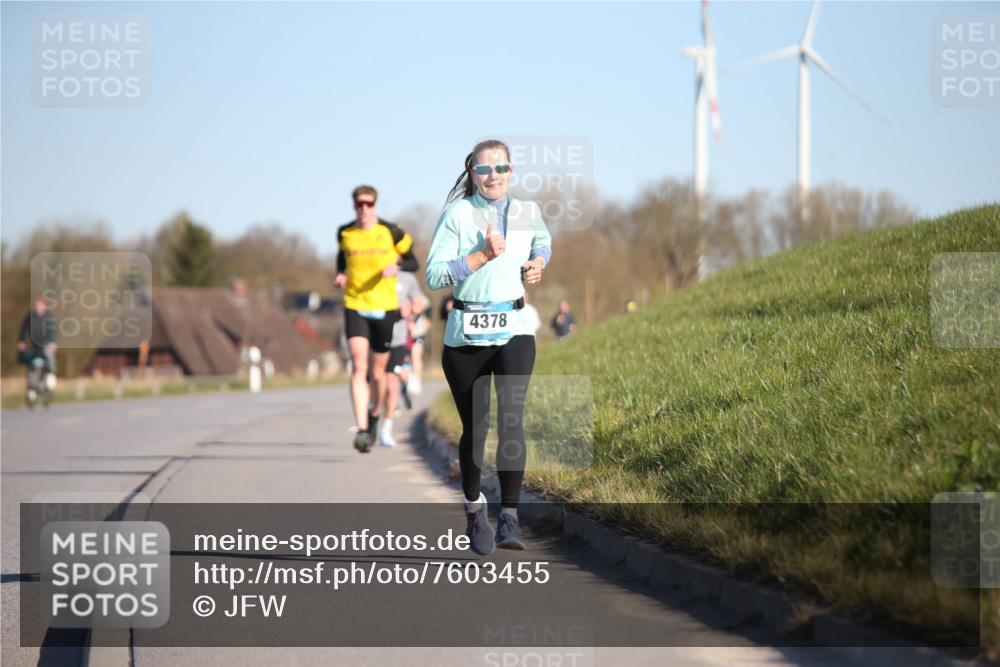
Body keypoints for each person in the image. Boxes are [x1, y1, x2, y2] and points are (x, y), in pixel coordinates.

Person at [425, 138, 551, 555]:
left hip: (514, 327)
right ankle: (475, 508)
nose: (492, 176)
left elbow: (542, 241)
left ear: (511, 172)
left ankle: (510, 516)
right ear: (473, 174)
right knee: (476, 428)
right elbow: (433, 276)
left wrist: (538, 262)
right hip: (466, 335)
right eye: (483, 169)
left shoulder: (527, 211)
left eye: (500, 168)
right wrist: (479, 257)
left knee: (511, 420)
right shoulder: (457, 215)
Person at [334, 185, 418, 453]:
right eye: (359, 204)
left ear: (375, 205)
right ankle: (362, 429)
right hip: (355, 304)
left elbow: (414, 261)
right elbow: (342, 258)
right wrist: (340, 274)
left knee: (378, 373)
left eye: (368, 204)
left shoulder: (391, 231)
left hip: (385, 307)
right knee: (359, 364)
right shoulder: (345, 233)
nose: (364, 209)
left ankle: (373, 417)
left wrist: (398, 265)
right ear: (354, 206)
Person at [378, 270, 426, 447]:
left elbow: (419, 305)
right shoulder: (372, 273)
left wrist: (410, 310)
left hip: (399, 338)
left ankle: (386, 428)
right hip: (376, 337)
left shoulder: (407, 278)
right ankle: (375, 415)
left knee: (392, 381)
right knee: (378, 380)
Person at [17, 296, 58, 375]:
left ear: (44, 306)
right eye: (37, 306)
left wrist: (52, 342)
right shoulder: (30, 316)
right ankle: (32, 379)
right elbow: (24, 328)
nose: (38, 308)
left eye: (40, 306)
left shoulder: (49, 316)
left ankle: (50, 374)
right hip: (34, 344)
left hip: (46, 344)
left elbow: (53, 331)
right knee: (30, 360)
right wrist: (21, 341)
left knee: (49, 358)